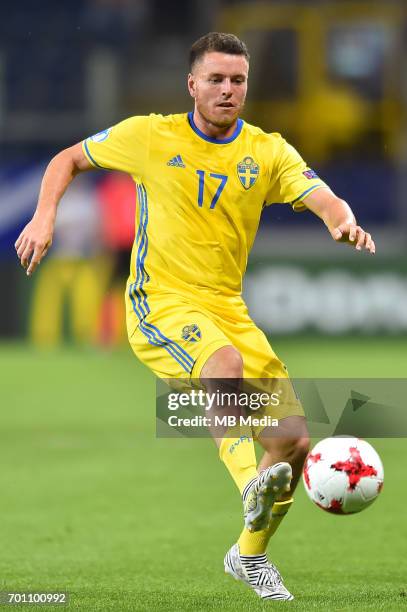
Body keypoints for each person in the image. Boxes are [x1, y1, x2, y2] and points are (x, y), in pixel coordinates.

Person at [15, 32, 375, 601]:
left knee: (294, 442)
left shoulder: (267, 150)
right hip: (160, 301)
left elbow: (322, 194)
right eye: (216, 79)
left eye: (238, 81)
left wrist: (341, 220)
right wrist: (43, 218)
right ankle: (246, 484)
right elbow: (69, 159)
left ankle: (248, 556)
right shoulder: (149, 135)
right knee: (223, 363)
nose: (228, 90)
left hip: (228, 307)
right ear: (192, 85)